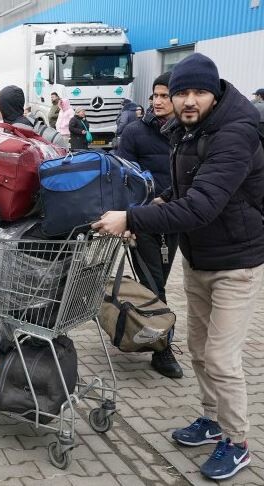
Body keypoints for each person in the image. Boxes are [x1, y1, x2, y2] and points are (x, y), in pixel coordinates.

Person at [92, 53, 264, 481]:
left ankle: (238, 441)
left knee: (222, 358)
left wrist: (131, 218)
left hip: (237, 262)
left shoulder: (235, 133)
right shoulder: (189, 131)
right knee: (202, 351)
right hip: (201, 257)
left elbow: (202, 205)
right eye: (180, 92)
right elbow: (186, 187)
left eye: (197, 92)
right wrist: (156, 203)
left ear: (215, 92)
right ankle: (211, 420)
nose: (188, 101)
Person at [115, 72, 183, 379]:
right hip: (142, 221)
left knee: (158, 283)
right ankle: (162, 349)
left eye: (164, 96)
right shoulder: (134, 132)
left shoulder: (187, 134)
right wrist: (128, 218)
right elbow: (122, 179)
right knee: (154, 285)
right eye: (155, 95)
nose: (157, 101)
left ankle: (141, 325)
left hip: (177, 220)